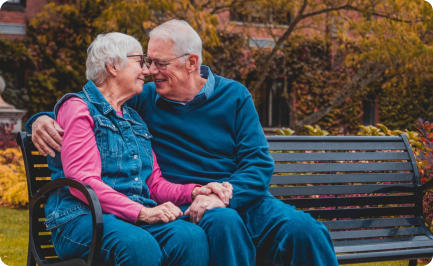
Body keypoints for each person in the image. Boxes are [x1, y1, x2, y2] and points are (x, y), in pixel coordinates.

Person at [29, 20, 339, 265]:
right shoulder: (146, 99)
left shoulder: (235, 96)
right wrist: (41, 119)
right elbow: (95, 103)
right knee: (222, 224)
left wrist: (226, 194)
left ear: (191, 63)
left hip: (237, 196)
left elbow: (257, 164)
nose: (150, 71)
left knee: (305, 231)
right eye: (146, 62)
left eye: (159, 63)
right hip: (188, 203)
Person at [38, 32, 232, 266]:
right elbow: (83, 183)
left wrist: (194, 191)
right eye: (140, 61)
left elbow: (154, 183)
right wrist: (143, 213)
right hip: (82, 217)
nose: (147, 70)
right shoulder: (78, 109)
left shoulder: (135, 119)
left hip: (129, 217)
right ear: (112, 66)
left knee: (190, 237)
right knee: (139, 245)